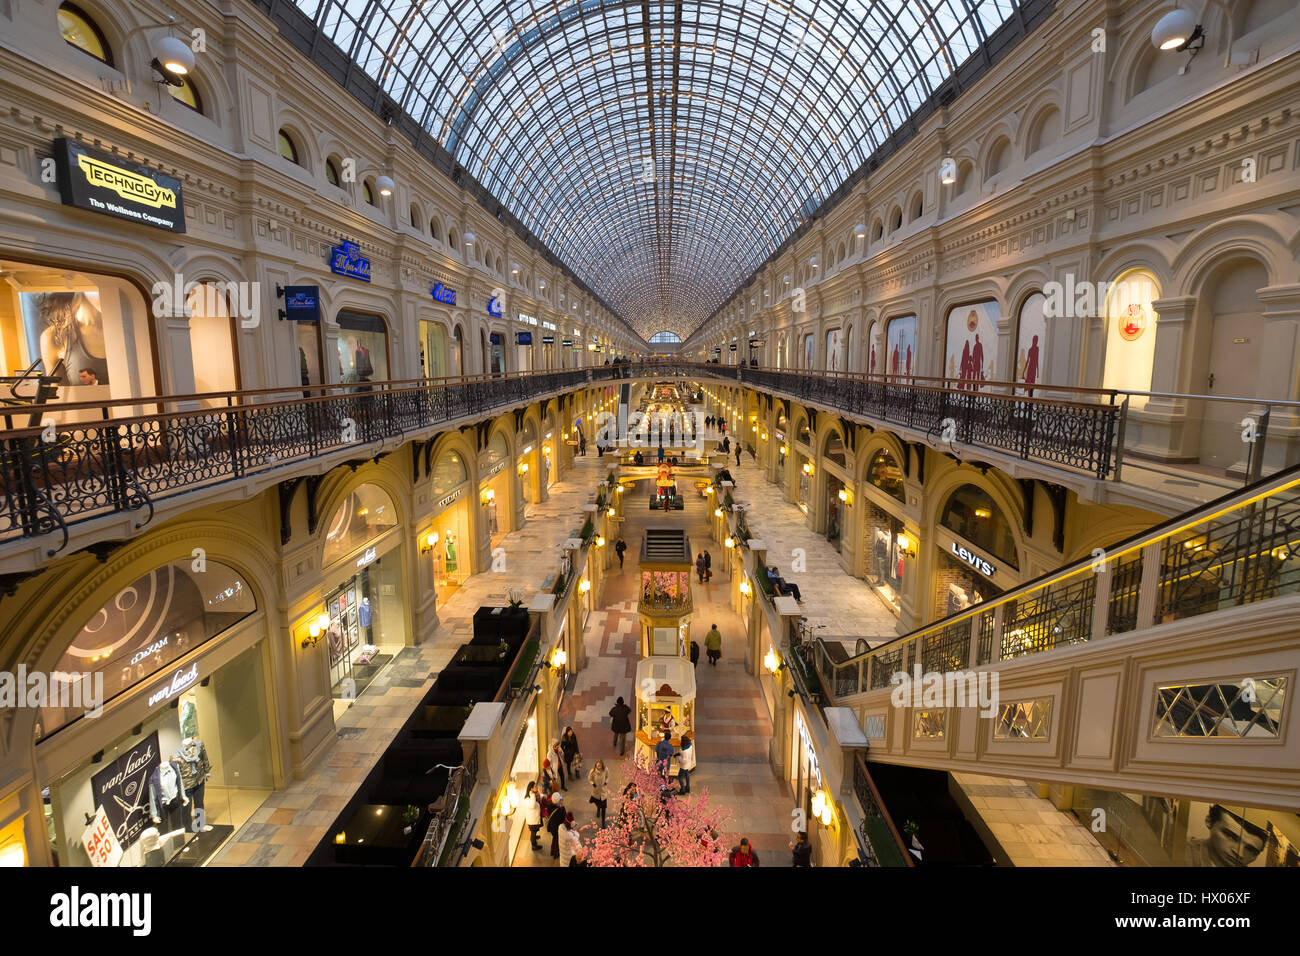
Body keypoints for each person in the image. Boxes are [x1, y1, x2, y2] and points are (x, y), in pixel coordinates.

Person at [588, 759, 609, 827]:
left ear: (602, 765)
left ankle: (603, 822)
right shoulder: (593, 771)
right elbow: (590, 779)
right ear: (596, 766)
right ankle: (598, 809)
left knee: (604, 807)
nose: (599, 767)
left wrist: (606, 782)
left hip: (603, 792)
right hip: (596, 791)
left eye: (600, 765)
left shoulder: (605, 769)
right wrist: (593, 783)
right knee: (597, 803)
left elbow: (607, 776)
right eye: (598, 766)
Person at [523, 781, 543, 850]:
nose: (536, 787)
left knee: (535, 830)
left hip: (535, 817)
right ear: (531, 789)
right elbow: (533, 805)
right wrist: (532, 795)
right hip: (532, 820)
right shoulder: (530, 797)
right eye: (535, 786)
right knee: (533, 832)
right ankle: (534, 845)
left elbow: (538, 799)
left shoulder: (534, 795)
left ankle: (534, 837)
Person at [546, 793, 566, 859]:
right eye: (560, 799)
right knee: (557, 840)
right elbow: (563, 818)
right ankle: (556, 854)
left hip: (552, 827)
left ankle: (552, 851)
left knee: (554, 839)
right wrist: (562, 807)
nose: (561, 800)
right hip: (557, 829)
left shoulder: (549, 806)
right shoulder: (560, 810)